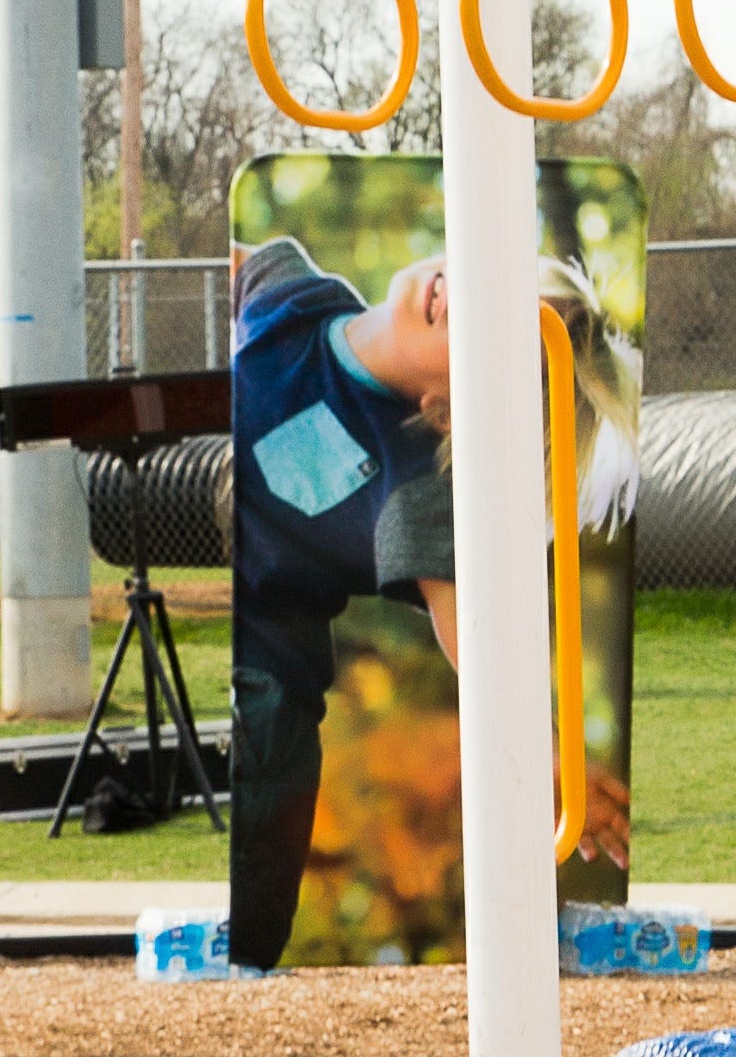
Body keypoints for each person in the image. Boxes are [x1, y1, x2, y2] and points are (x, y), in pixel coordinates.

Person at [229, 243, 628, 967]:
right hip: (189, 517)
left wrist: (546, 753)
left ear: (447, 411)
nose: (464, 302)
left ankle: (246, 956)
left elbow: (472, 636)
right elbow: (228, 267)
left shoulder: (417, 485)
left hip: (265, 631)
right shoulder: (288, 295)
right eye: (487, 281)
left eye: (486, 336)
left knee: (272, 737)